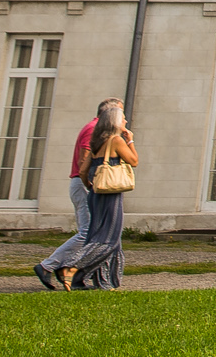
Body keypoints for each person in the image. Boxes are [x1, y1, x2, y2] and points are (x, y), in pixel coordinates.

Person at [33, 100, 117, 291]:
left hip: (83, 183)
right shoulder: (93, 129)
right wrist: (90, 184)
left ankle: (78, 277)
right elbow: (83, 159)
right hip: (84, 183)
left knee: (90, 233)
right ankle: (50, 265)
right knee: (87, 232)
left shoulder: (96, 128)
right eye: (120, 113)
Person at [59, 102, 139, 291]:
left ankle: (101, 282)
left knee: (96, 235)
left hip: (95, 194)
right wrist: (130, 140)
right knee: (110, 238)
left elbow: (84, 169)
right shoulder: (116, 140)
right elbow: (134, 161)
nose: (126, 121)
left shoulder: (96, 142)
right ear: (114, 122)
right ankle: (71, 266)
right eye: (123, 118)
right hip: (111, 195)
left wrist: (90, 185)